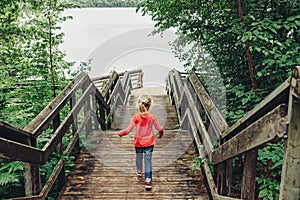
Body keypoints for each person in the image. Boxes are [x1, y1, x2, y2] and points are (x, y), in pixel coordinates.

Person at [118, 95, 163, 189]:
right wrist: (161, 134)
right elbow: (160, 129)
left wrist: (121, 133)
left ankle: (139, 170)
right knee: (148, 161)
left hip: (138, 142)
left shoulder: (135, 117)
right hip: (149, 142)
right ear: (149, 106)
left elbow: (128, 130)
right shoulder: (152, 117)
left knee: (139, 157)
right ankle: (148, 181)